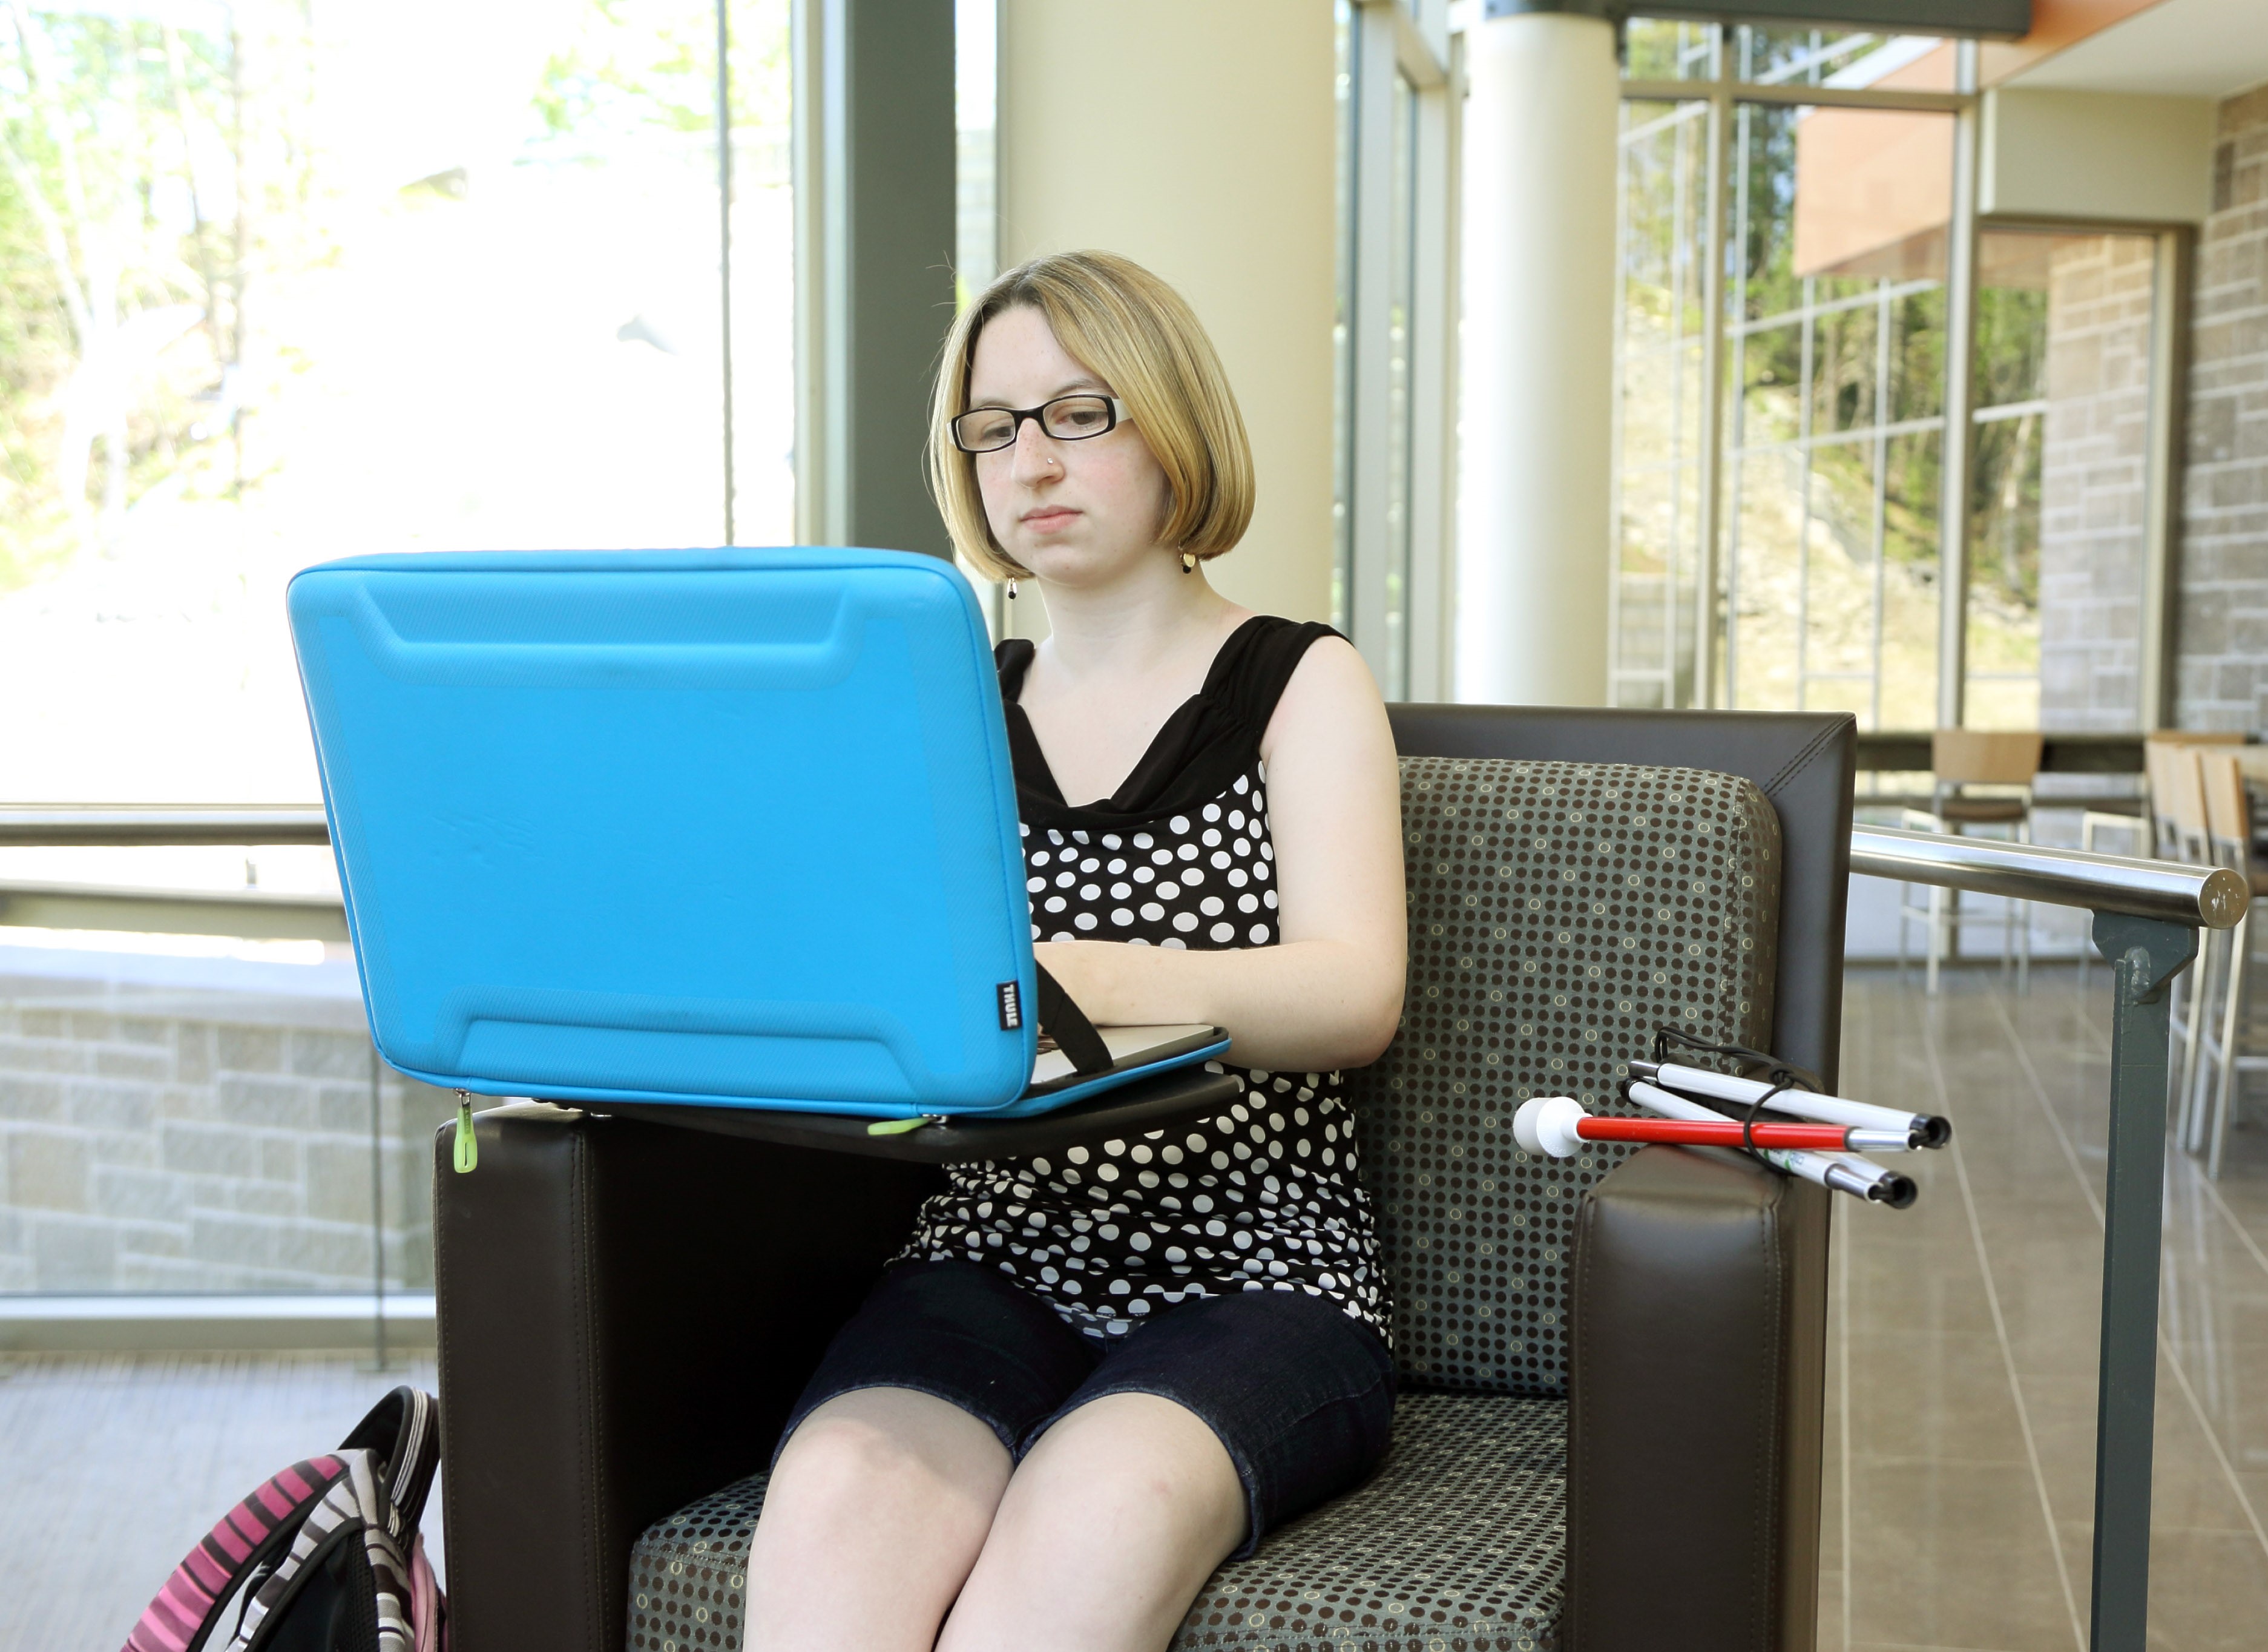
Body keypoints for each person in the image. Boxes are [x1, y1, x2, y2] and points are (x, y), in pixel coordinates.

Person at [745, 250, 1408, 1652]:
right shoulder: (948, 713)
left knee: (1090, 1507)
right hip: (991, 1249)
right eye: (991, 427)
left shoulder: (1300, 679)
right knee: (835, 1494)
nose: (1027, 460)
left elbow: (1354, 994)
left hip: (1259, 1271)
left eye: (1077, 413)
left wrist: (1085, 974)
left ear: (1171, 424)